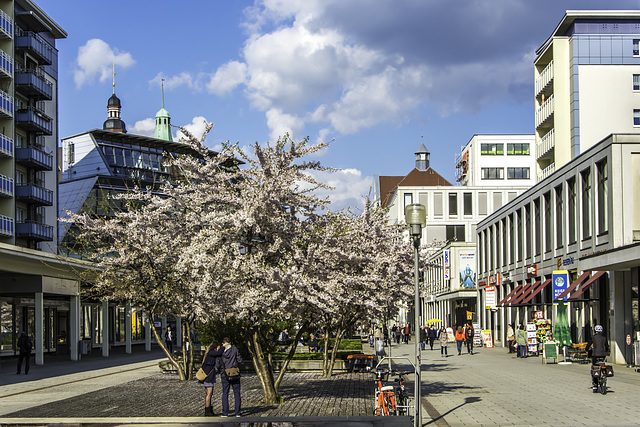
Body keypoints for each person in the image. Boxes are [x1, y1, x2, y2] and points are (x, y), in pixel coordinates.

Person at [217, 337, 243, 417]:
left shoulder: (221, 351)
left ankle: (225, 412)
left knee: (225, 393)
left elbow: (218, 363)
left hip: (224, 374)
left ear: (223, 343)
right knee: (236, 393)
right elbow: (240, 360)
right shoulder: (234, 349)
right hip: (234, 373)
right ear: (230, 342)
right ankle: (237, 412)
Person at [201, 341, 224, 416]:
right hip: (208, 376)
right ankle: (207, 410)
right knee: (209, 393)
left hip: (209, 375)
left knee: (209, 393)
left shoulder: (209, 353)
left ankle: (209, 409)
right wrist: (223, 347)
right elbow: (219, 353)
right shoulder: (211, 352)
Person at [586, 325, 609, 392]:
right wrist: (606, 351)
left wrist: (587, 349)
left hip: (595, 355)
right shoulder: (604, 338)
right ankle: (603, 375)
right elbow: (607, 347)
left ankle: (595, 385)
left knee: (594, 368)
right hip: (603, 355)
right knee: (602, 364)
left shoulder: (593, 337)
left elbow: (588, 345)